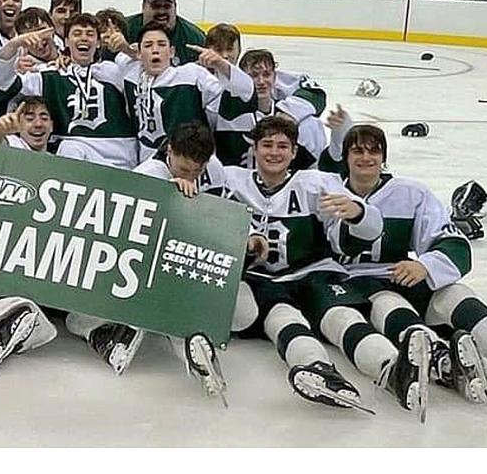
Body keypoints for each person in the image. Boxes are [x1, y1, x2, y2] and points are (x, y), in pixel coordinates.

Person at [220, 116, 424, 416]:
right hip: (263, 281)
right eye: (267, 145)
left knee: (341, 317)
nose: (274, 152)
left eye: (282, 146)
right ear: (254, 148)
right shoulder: (230, 179)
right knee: (282, 320)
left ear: (293, 151)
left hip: (314, 273)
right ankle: (317, 368)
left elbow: (365, 229)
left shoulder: (314, 183)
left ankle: (392, 368)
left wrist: (358, 213)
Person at [328, 124, 487, 398]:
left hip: (401, 274)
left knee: (455, 293)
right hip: (354, 285)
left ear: (384, 157)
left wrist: (425, 265)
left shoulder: (411, 193)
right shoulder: (325, 193)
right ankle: (435, 354)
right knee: (389, 302)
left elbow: (452, 242)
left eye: (374, 151)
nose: (366, 158)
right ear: (345, 157)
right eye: (357, 150)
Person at [65, 122, 228, 390]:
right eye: (184, 169)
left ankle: (199, 353)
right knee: (77, 319)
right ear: (169, 151)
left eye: (197, 170)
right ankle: (184, 344)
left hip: (185, 261)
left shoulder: (215, 170)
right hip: (139, 263)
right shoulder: (149, 174)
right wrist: (167, 196)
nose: (191, 175)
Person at [0, 13, 137, 169]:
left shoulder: (114, 71)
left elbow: (149, 72)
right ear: (66, 41)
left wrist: (127, 49)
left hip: (120, 157)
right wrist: (14, 44)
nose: (84, 38)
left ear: (99, 42)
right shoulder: (49, 75)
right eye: (77, 33)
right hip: (73, 160)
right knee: (69, 147)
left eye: (90, 34)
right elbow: (0, 85)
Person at [119, 24, 253, 162]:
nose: (155, 50)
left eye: (161, 44)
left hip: (191, 164)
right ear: (139, 54)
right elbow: (120, 57)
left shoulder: (192, 75)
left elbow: (244, 93)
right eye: (148, 45)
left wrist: (221, 64)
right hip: (148, 166)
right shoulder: (131, 74)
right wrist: (127, 49)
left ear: (172, 52)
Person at [125, 0, 207, 65]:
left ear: (175, 7)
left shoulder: (195, 38)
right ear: (143, 7)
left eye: (167, 6)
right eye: (156, 6)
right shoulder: (123, 29)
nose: (161, 11)